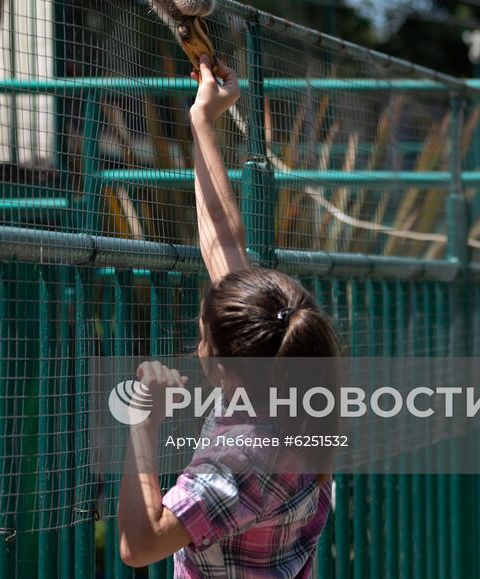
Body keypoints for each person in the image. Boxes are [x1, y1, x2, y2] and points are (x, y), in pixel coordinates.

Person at [117, 56, 344, 578]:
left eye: (202, 335)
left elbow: (141, 543)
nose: (198, 341)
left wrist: (143, 424)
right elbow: (223, 241)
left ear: (223, 366)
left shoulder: (241, 456)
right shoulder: (297, 396)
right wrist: (203, 119)